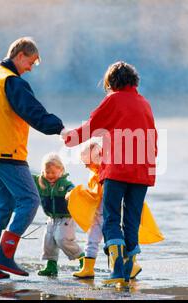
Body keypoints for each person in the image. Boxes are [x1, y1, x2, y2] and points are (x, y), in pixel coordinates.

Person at [0, 37, 66, 279]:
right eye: (32, 62)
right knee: (29, 200)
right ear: (21, 55)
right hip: (7, 151)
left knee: (4, 205)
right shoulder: (12, 81)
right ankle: (5, 256)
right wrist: (59, 128)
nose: (31, 67)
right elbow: (32, 111)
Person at [63, 61, 158, 285]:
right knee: (132, 220)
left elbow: (93, 125)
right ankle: (129, 267)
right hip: (142, 171)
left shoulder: (113, 100)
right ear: (134, 81)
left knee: (111, 217)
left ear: (111, 82)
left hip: (117, 170)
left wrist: (69, 139)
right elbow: (153, 140)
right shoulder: (145, 103)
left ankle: (117, 270)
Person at [68, 141, 164, 280]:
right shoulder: (96, 174)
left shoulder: (106, 172)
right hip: (99, 216)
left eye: (87, 162)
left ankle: (129, 265)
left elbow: (97, 194)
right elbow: (93, 194)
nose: (85, 166)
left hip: (109, 217)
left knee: (115, 238)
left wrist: (76, 193)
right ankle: (89, 268)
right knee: (92, 240)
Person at [33, 153, 84, 277]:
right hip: (51, 218)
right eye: (47, 172)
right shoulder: (41, 182)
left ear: (61, 171)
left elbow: (73, 189)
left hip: (66, 217)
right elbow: (26, 178)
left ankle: (83, 259)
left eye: (53, 172)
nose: (50, 175)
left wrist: (70, 193)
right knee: (48, 241)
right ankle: (51, 266)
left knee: (62, 240)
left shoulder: (65, 183)